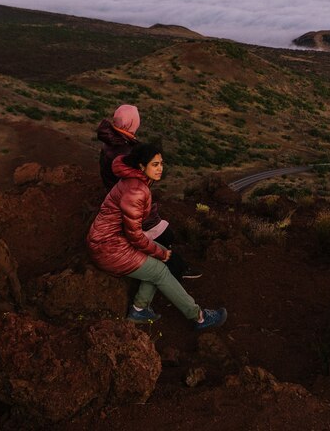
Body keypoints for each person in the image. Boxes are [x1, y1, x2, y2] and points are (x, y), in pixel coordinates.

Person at [87, 141, 226, 331]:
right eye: (155, 164)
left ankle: (139, 309)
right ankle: (199, 317)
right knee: (160, 268)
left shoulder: (133, 181)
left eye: (161, 163)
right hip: (108, 248)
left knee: (159, 254)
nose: (160, 168)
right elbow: (135, 236)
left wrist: (158, 251)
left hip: (111, 240)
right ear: (141, 166)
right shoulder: (136, 191)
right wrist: (160, 254)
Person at [96, 104, 198, 280]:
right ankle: (175, 269)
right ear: (133, 124)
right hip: (127, 203)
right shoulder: (125, 151)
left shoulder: (112, 143)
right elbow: (134, 188)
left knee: (161, 234)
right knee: (165, 235)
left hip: (116, 196)